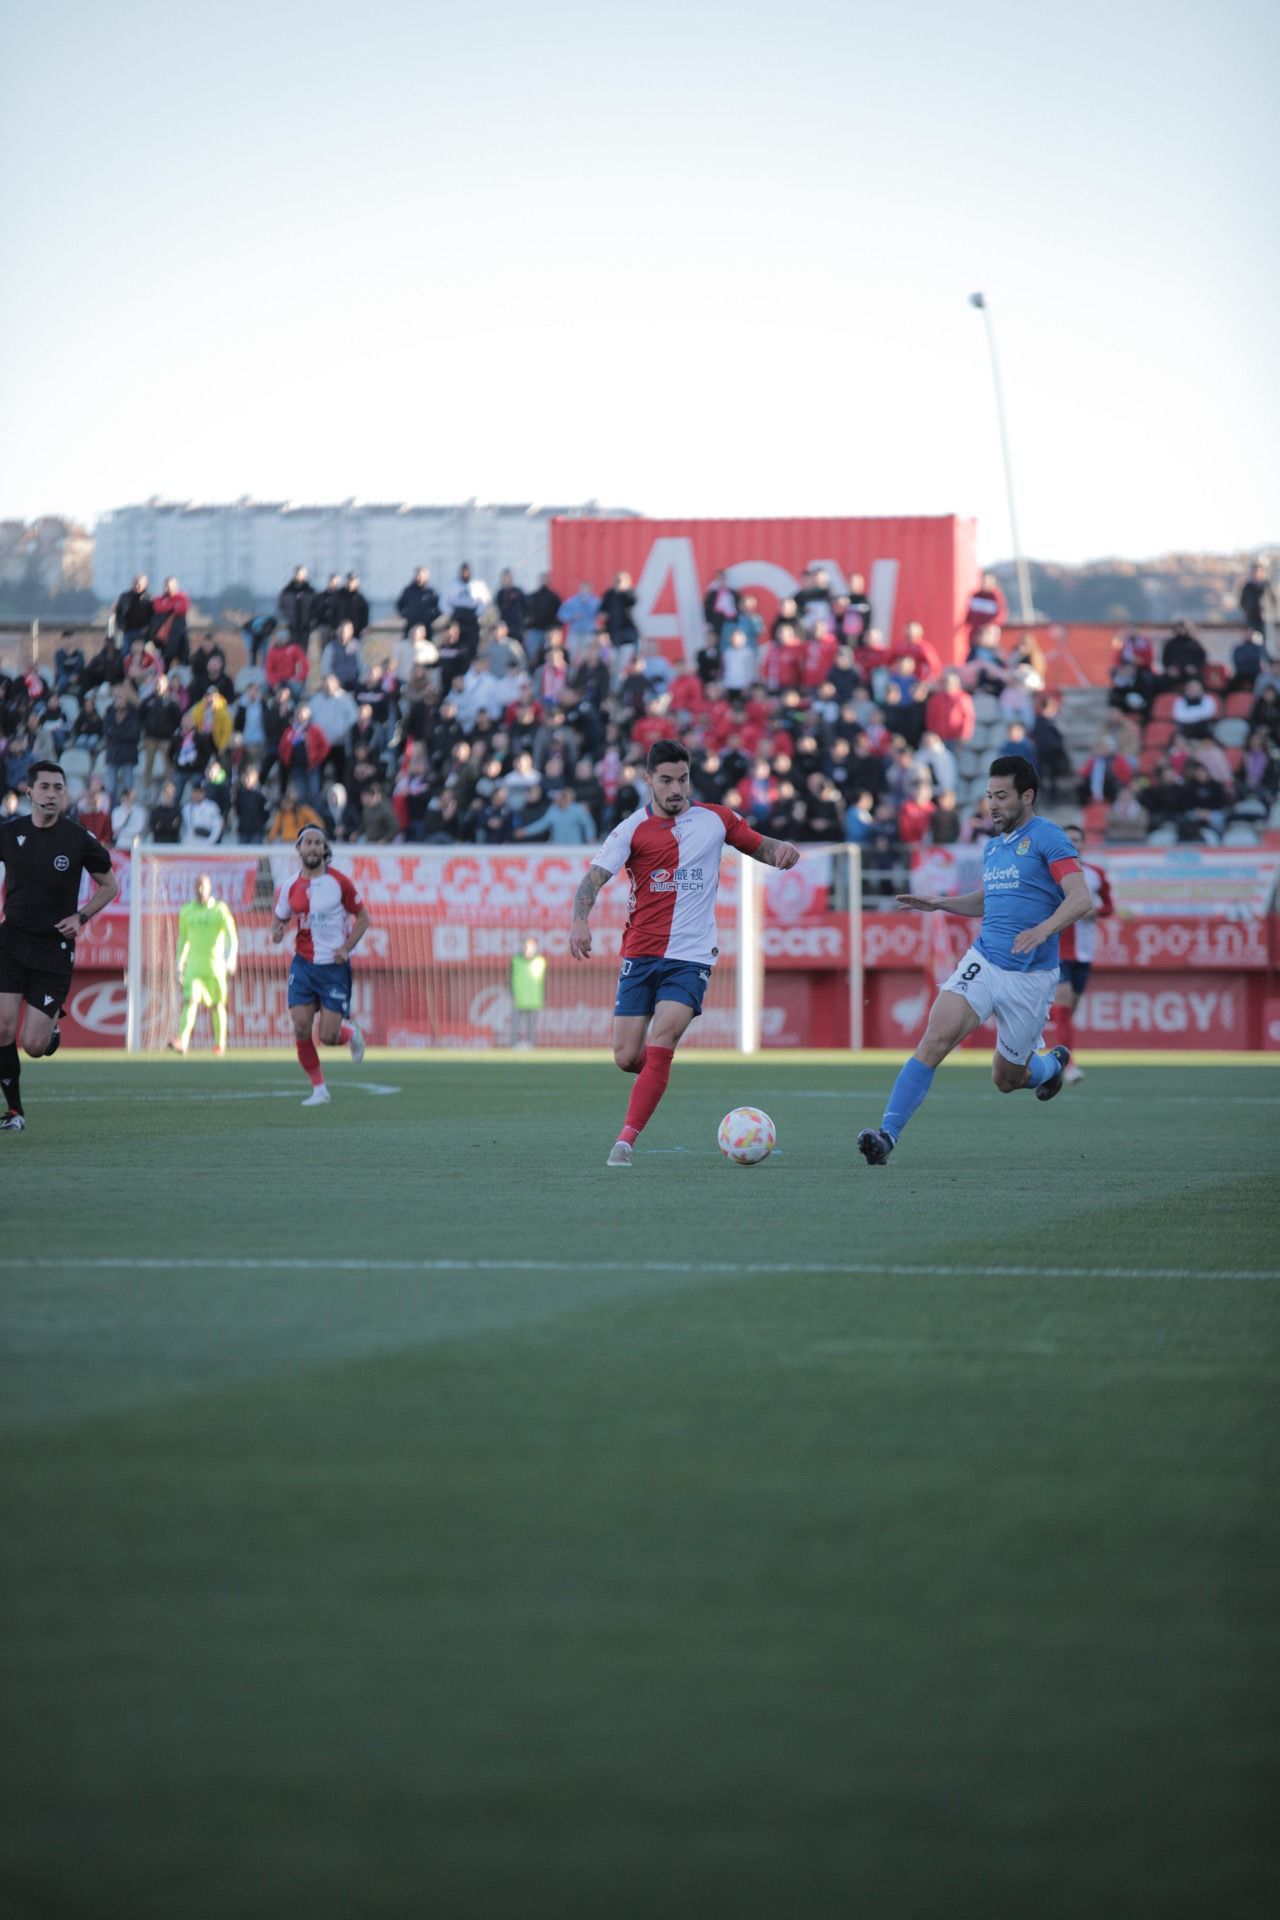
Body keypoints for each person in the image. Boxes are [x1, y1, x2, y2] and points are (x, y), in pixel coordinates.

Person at [568, 739, 800, 1167]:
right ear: (648, 781)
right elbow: (593, 879)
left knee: (662, 1040)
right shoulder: (630, 829)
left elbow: (757, 844)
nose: (676, 789)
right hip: (640, 953)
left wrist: (779, 852)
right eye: (666, 780)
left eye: (683, 779)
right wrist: (580, 920)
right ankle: (657, 1074)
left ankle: (625, 1142)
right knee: (626, 1057)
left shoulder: (715, 819)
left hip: (691, 956)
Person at [856, 756, 1092, 1167]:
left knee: (1006, 1080)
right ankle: (886, 1136)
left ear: (1027, 796)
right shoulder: (993, 847)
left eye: (1002, 796)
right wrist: (942, 903)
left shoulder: (1048, 838)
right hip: (983, 960)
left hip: (1030, 977)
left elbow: (1080, 898)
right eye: (989, 796)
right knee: (935, 1038)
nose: (993, 805)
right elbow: (990, 899)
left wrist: (1043, 930)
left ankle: (1050, 1066)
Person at [0, 761, 119, 1132]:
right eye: (45, 787)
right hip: (12, 941)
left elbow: (110, 886)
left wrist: (81, 918)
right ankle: (15, 1112)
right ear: (29, 792)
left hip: (54, 949)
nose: (52, 794)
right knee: (2, 1029)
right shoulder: (9, 833)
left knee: (33, 1045)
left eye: (58, 788)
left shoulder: (78, 838)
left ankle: (50, 1028)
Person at [270, 827, 369, 1106]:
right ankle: (319, 1090)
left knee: (327, 1036)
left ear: (324, 849)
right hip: (303, 965)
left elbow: (363, 918)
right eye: (307, 843)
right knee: (301, 1027)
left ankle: (350, 1034)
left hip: (333, 969)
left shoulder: (340, 883)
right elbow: (279, 919)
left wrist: (346, 948)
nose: (313, 847)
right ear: (299, 849)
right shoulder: (290, 885)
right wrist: (277, 932)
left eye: (318, 843)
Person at [1046, 824, 1114, 1085]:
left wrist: (1094, 912)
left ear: (1084, 844)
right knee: (1063, 1007)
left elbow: (1109, 906)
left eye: (1077, 840)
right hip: (1057, 947)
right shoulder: (1051, 873)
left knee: (1066, 1010)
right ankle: (1069, 1064)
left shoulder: (1095, 874)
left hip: (1084, 952)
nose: (1073, 844)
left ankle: (1047, 1045)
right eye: (1068, 840)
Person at [169, 873, 239, 1056]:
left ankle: (219, 1045)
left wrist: (231, 958)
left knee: (217, 1006)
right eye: (197, 886)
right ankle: (182, 1042)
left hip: (216, 969)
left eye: (203, 886)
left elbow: (232, 937)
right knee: (190, 1001)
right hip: (194, 968)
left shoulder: (220, 910)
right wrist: (179, 963)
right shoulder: (186, 911)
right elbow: (183, 939)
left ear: (210, 888)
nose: (200, 890)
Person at [510, 934, 547, 1048]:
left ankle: (531, 1044)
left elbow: (543, 981)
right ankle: (514, 1045)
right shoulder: (516, 960)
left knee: (531, 1025)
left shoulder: (540, 961)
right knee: (516, 1024)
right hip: (519, 998)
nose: (527, 950)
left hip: (534, 999)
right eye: (525, 947)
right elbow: (509, 978)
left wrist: (543, 996)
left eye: (530, 947)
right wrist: (512, 994)